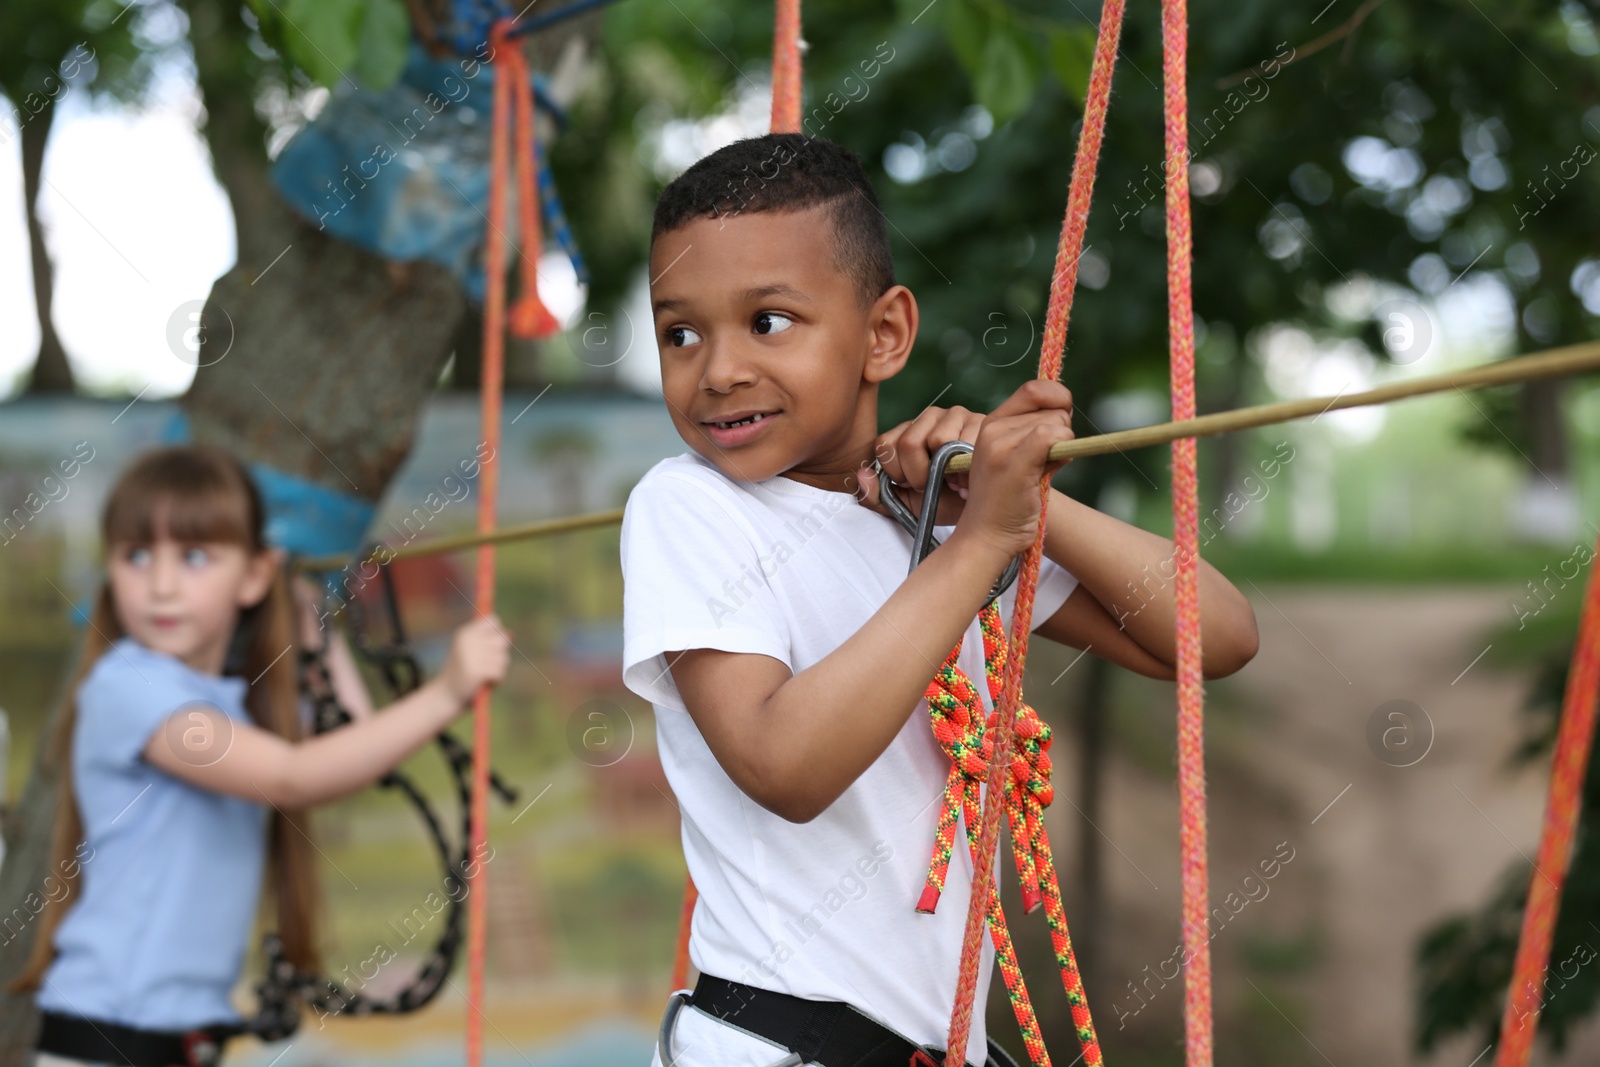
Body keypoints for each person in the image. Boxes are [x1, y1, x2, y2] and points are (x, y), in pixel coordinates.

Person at [622, 133, 1261, 1067]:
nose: (718, 369)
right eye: (681, 332)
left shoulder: (932, 525)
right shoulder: (688, 505)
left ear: (884, 334)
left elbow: (1216, 636)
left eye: (768, 322)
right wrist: (986, 545)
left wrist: (1020, 503)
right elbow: (784, 764)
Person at [10, 444, 511, 1067]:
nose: (161, 585)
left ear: (252, 576)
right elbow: (295, 776)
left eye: (194, 557)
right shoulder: (126, 685)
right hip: (105, 1042)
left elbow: (353, 748)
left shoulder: (230, 709)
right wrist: (447, 692)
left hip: (176, 1047)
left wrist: (307, 611)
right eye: (136, 556)